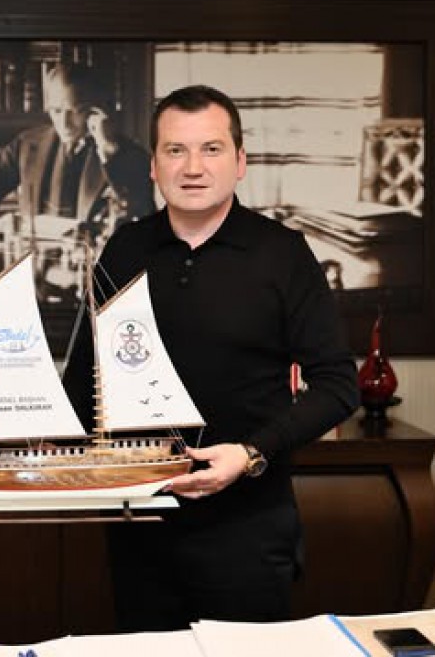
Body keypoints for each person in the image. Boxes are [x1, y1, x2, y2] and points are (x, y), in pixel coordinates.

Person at [63, 85, 358, 630]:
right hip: (139, 526)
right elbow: (84, 379)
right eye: (175, 150)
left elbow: (339, 386)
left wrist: (249, 453)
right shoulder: (125, 249)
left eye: (211, 149)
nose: (193, 167)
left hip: (248, 530)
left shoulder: (282, 253)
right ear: (153, 165)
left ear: (240, 162)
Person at [0, 62, 155, 232]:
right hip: (35, 259)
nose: (64, 123)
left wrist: (109, 150)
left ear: (96, 109)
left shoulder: (127, 154)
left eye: (74, 111)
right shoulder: (27, 145)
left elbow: (141, 213)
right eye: (56, 111)